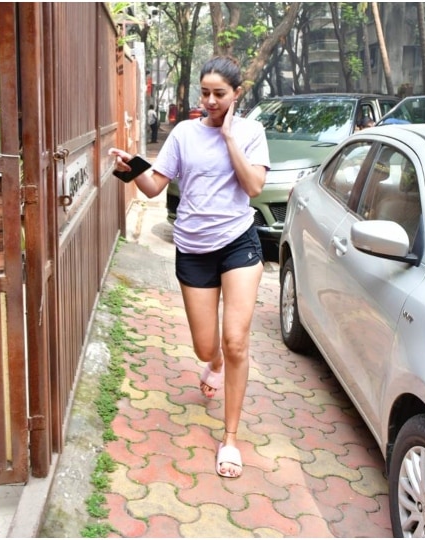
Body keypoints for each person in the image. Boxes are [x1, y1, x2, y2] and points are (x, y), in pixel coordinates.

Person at [109, 56, 269, 479]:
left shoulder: (252, 133)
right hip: (194, 248)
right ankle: (212, 364)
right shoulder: (184, 133)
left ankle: (230, 439)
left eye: (220, 94)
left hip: (239, 242)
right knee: (206, 347)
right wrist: (130, 170)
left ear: (237, 94)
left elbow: (253, 186)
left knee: (236, 341)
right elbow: (154, 187)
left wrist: (231, 137)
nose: (210, 101)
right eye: (205, 93)